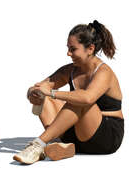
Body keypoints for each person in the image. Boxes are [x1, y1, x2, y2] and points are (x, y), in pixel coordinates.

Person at [13, 20, 124, 164]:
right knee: (46, 95)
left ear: (90, 48)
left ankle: (38, 145)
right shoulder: (69, 70)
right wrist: (33, 95)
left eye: (73, 49)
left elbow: (87, 98)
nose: (68, 53)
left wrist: (51, 92)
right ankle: (61, 145)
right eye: (68, 48)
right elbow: (41, 86)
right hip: (76, 135)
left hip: (105, 137)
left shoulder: (104, 72)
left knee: (80, 99)